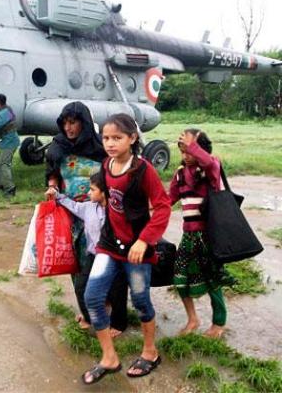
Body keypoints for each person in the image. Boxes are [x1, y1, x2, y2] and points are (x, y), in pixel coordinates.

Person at [82, 113, 171, 384]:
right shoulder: (106, 164)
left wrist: (145, 240)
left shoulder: (143, 170)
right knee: (92, 297)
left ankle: (150, 352)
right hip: (109, 245)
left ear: (132, 138)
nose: (110, 143)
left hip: (136, 249)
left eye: (117, 138)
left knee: (141, 301)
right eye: (106, 138)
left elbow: (163, 207)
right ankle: (109, 357)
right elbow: (109, 198)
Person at [45, 101, 128, 337]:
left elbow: (115, 175)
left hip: (100, 215)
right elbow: (52, 172)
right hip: (72, 214)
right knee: (78, 264)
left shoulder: (100, 147)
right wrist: (53, 188)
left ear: (84, 123)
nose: (68, 128)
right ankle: (90, 309)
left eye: (73, 123)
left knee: (107, 261)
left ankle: (110, 306)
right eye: (65, 123)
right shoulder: (58, 146)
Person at [169, 129, 233, 339]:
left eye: (189, 150)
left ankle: (219, 322)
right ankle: (193, 319)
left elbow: (210, 163)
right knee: (179, 278)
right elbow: (168, 200)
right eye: (182, 151)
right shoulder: (180, 174)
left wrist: (193, 146)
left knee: (212, 280)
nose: (186, 155)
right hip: (188, 237)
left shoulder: (210, 170)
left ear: (201, 149)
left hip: (207, 237)